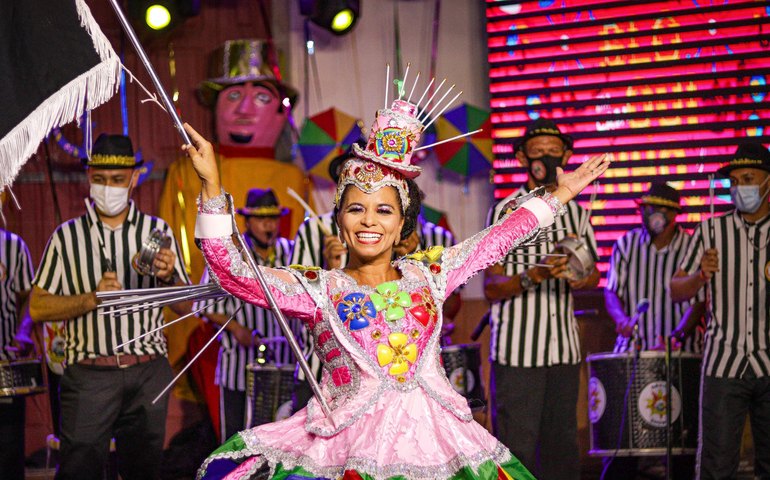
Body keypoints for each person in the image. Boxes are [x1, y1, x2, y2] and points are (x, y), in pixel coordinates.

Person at [182, 82, 611, 479]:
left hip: (440, 444)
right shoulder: (318, 288)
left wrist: (559, 196)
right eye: (356, 209)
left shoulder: (431, 274)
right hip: (344, 447)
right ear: (340, 218)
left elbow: (497, 240)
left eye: (383, 210)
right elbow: (232, 271)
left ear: (403, 221)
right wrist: (212, 184)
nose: (369, 220)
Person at [29, 133, 191, 480]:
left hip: (148, 371)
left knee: (144, 470)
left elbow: (187, 305)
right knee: (79, 469)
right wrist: (92, 298)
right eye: (100, 180)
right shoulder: (67, 237)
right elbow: (38, 308)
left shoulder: (156, 231)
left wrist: (166, 278)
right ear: (89, 178)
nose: (108, 188)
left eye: (117, 180)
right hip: (89, 374)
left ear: (134, 179)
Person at [483, 117, 600, 479]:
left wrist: (579, 277)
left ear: (567, 155)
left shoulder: (578, 213)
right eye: (538, 152)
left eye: (555, 151)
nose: (547, 158)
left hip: (563, 350)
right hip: (518, 354)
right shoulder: (506, 211)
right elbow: (491, 287)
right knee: (516, 448)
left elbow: (593, 274)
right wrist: (535, 274)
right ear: (521, 158)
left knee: (563, 446)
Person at [671, 141, 770, 480]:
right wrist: (701, 275)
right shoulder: (711, 230)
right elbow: (674, 289)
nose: (741, 187)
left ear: (767, 182)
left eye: (748, 178)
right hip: (723, 364)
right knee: (716, 464)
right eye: (735, 181)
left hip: (769, 364)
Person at [603, 182, 703, 478]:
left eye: (661, 208)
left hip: (681, 353)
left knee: (682, 440)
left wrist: (678, 336)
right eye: (648, 208)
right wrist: (620, 319)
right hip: (634, 352)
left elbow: (699, 301)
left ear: (675, 214)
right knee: (625, 440)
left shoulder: (690, 246)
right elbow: (611, 292)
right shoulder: (626, 244)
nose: (653, 214)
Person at [196, 188, 303, 441]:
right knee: (236, 437)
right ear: (247, 221)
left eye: (273, 218)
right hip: (240, 368)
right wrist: (236, 329)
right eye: (261, 219)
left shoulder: (291, 252)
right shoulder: (233, 254)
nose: (269, 225)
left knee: (282, 437)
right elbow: (205, 306)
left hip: (286, 365)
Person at [0, 229, 34, 480]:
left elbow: (29, 298)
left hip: (5, 366)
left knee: (8, 452)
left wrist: (22, 332)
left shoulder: (13, 246)